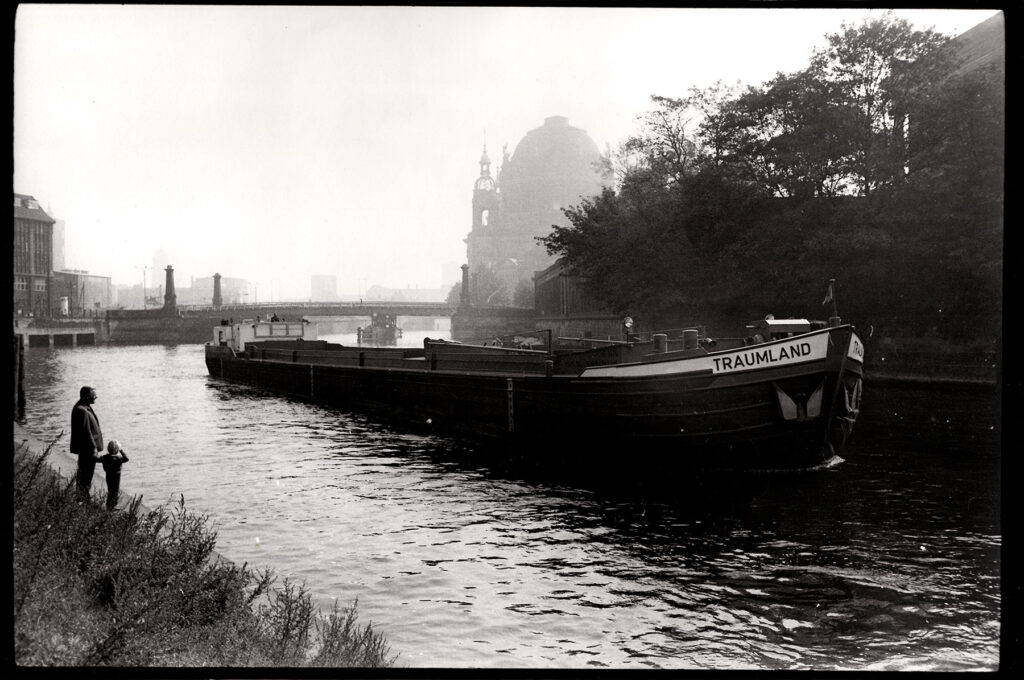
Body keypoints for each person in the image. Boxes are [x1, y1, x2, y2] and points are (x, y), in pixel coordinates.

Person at [70, 386, 103, 500]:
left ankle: (83, 497)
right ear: (87, 396)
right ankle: (82, 498)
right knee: (85, 473)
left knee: (86, 473)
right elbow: (86, 431)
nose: (96, 397)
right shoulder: (81, 410)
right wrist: (94, 447)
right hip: (87, 448)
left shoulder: (85, 407)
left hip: (87, 448)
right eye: (94, 395)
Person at [99, 439, 130, 511]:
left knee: (110, 489)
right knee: (115, 491)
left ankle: (109, 505)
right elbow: (126, 459)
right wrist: (121, 451)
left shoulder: (105, 457)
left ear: (108, 449)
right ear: (117, 450)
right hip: (116, 476)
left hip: (108, 475)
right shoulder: (119, 458)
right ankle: (112, 505)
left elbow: (96, 459)